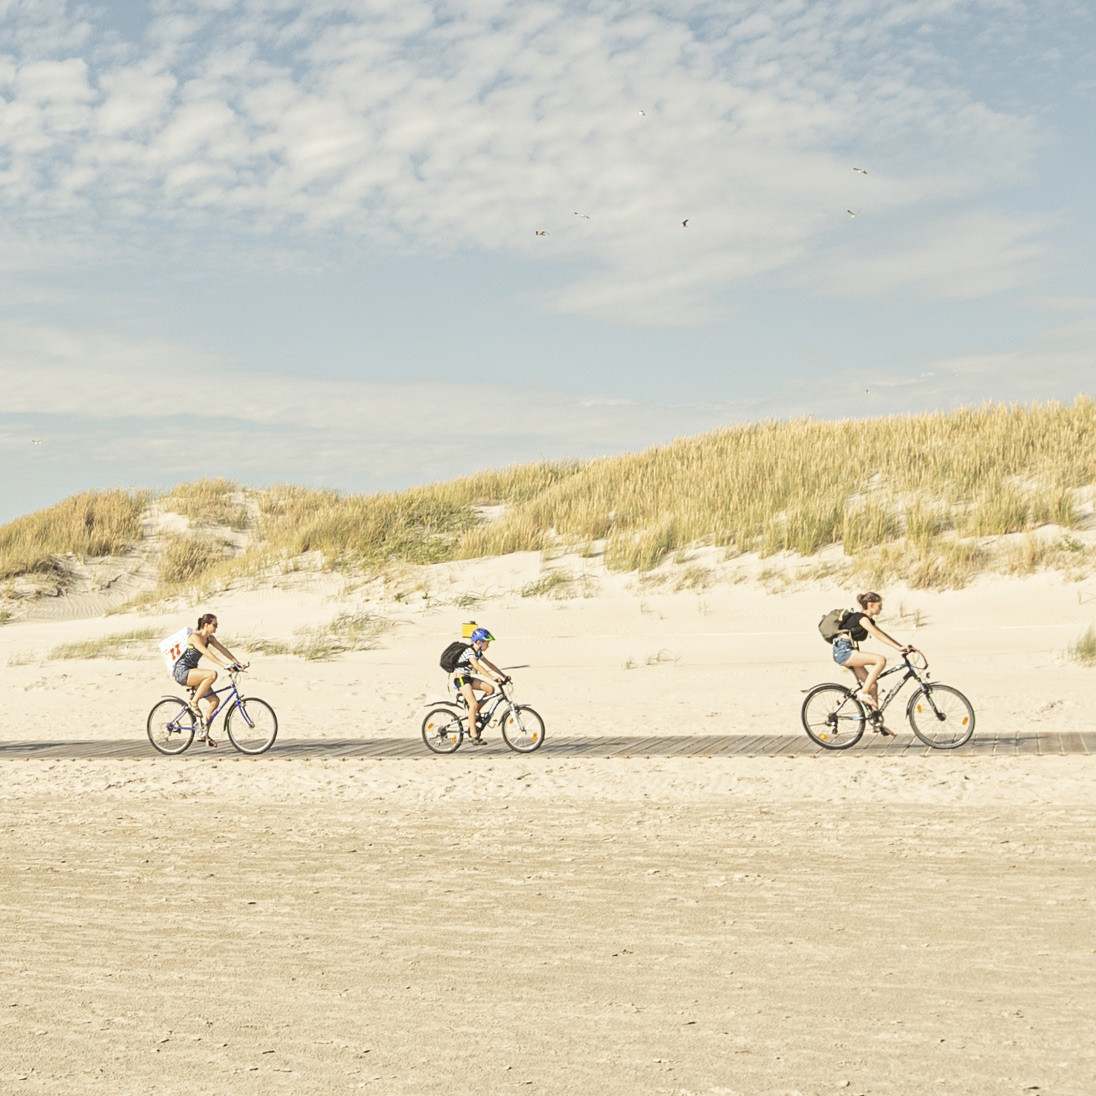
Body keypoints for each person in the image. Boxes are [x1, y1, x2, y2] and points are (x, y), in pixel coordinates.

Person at [831, 592, 918, 736]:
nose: (881, 608)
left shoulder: (868, 620)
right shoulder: (862, 618)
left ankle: (877, 724)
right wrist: (898, 648)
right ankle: (863, 694)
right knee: (880, 660)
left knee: (873, 685)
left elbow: (882, 634)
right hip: (843, 651)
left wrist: (901, 646)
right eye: (880, 605)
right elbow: (878, 635)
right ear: (871, 605)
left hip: (848, 650)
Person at [171, 613, 248, 746]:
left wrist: (237, 662)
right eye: (215, 625)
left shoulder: (209, 638)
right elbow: (207, 653)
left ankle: (204, 734)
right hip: (182, 672)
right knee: (212, 674)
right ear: (206, 625)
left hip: (193, 672)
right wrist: (224, 665)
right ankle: (193, 703)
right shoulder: (194, 637)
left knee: (214, 701)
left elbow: (222, 649)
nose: (216, 628)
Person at [450, 627, 509, 745]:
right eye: (487, 643)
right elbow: (477, 666)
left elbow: (490, 665)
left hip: (467, 678)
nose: (488, 646)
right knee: (473, 703)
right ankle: (473, 735)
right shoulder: (469, 652)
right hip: (460, 679)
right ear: (479, 642)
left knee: (490, 689)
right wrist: (492, 678)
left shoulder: (478, 652)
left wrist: (503, 676)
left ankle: (475, 713)